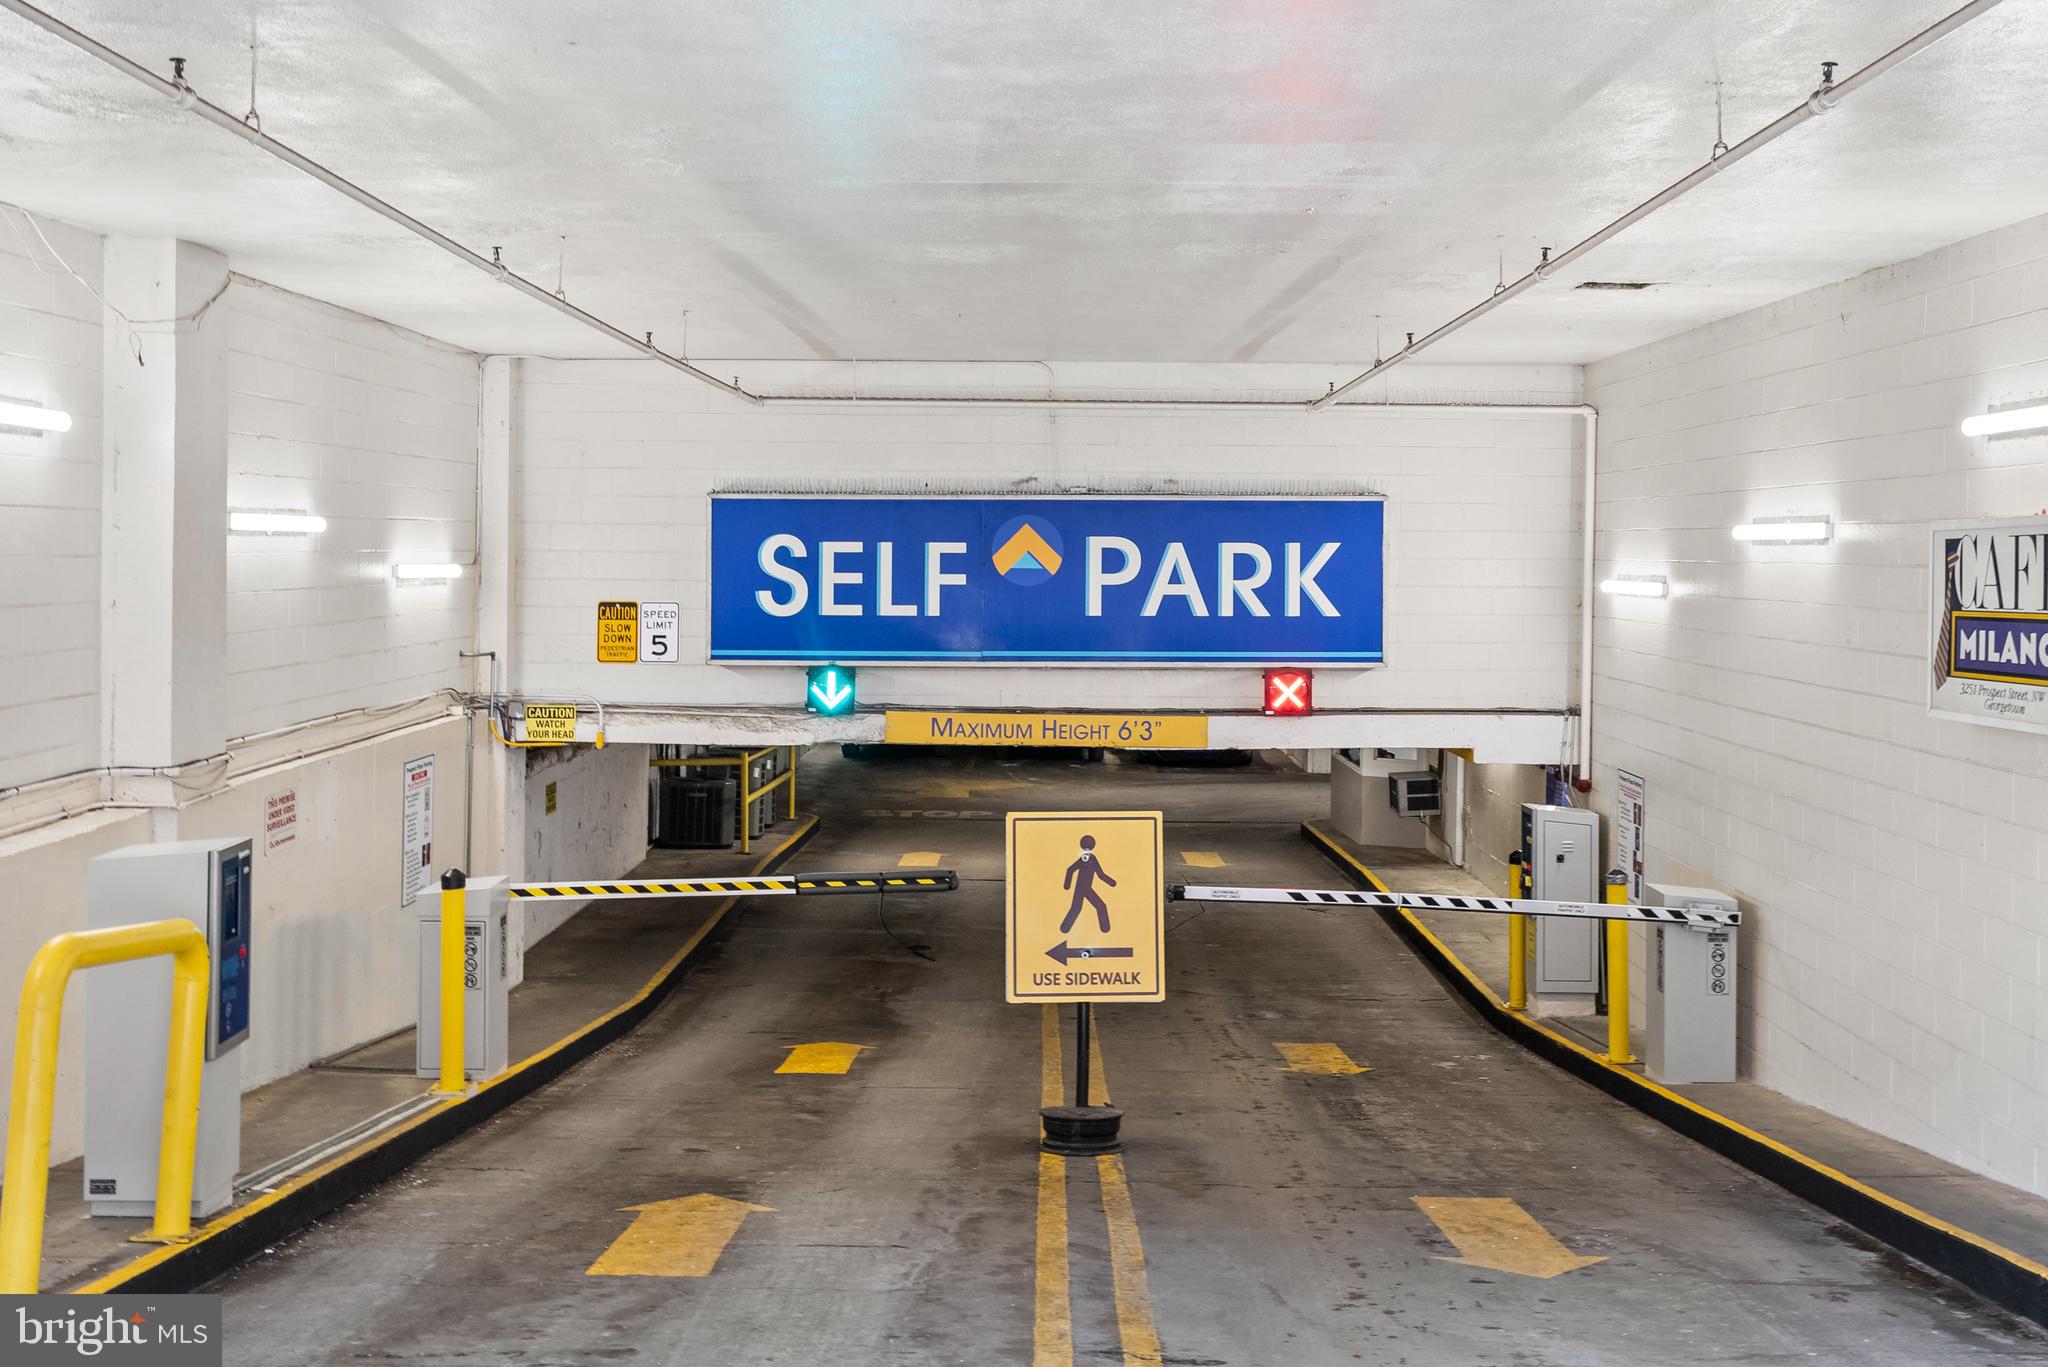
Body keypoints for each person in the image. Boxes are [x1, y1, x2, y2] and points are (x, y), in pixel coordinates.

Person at [1060, 835, 1117, 934]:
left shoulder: (1092, 858)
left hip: (1084, 888)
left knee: (1077, 908)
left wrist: (1112, 882)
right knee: (1099, 906)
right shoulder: (1084, 859)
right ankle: (1105, 928)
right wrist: (1066, 885)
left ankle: (1065, 928)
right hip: (1083, 888)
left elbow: (1100, 874)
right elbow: (1070, 870)